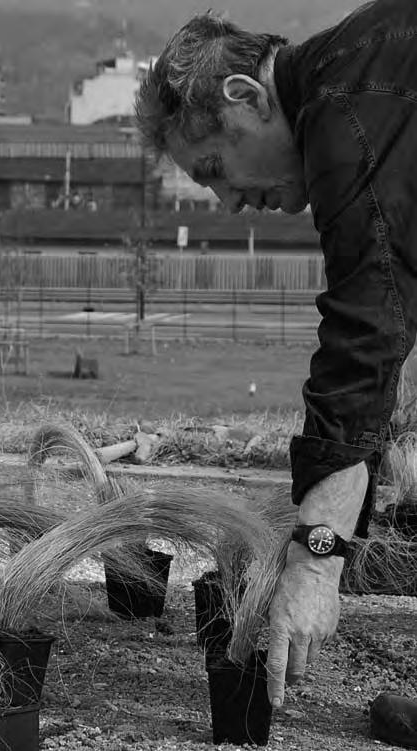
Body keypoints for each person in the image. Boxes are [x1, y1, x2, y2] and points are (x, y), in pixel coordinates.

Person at [135, 1, 417, 747]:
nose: (229, 203)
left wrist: (317, 563)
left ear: (246, 97)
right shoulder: (364, 66)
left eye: (215, 169)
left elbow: (366, 332)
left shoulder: (347, 112)